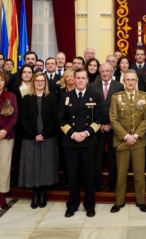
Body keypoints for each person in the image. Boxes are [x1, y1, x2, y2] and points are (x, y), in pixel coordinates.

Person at [58, 68, 103, 218]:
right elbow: (61, 119)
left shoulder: (95, 96)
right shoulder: (66, 96)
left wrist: (86, 133)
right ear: (73, 79)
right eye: (78, 78)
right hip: (71, 142)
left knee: (89, 175)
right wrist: (73, 134)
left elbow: (99, 119)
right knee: (72, 175)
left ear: (87, 80)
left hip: (88, 141)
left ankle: (90, 205)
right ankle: (72, 204)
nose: (80, 80)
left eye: (83, 78)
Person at [109, 69, 146, 213]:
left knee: (139, 174)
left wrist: (136, 136)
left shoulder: (144, 97)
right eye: (128, 79)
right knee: (121, 173)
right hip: (122, 140)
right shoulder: (116, 97)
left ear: (136, 81)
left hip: (138, 142)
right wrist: (127, 136)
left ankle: (141, 201)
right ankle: (119, 202)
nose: (130, 82)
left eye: (133, 80)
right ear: (123, 81)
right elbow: (113, 119)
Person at [18, 72, 59, 209]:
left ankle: (43, 192)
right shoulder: (27, 98)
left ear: (45, 83)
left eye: (42, 81)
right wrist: (33, 134)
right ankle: (35, 193)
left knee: (45, 165)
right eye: (37, 81)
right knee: (33, 164)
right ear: (33, 82)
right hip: (30, 137)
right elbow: (23, 119)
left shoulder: (52, 97)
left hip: (48, 137)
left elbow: (55, 118)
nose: (40, 83)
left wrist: (45, 134)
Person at [88, 63, 124, 192]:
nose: (105, 73)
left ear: (112, 72)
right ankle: (97, 181)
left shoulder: (119, 86)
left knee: (114, 157)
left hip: (113, 127)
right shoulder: (91, 86)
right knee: (97, 157)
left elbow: (121, 108)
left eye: (108, 71)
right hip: (97, 128)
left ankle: (113, 182)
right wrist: (99, 124)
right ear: (99, 72)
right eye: (102, 71)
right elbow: (90, 108)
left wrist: (111, 124)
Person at [0, 70, 18, 211]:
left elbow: (14, 116)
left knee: (4, 166)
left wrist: (5, 130)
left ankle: (2, 195)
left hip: (7, 135)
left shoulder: (11, 96)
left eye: (1, 80)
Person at [11, 65, 35, 168]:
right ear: (21, 74)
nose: (27, 74)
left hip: (34, 123)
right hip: (19, 124)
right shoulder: (14, 89)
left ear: (32, 74)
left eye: (29, 72)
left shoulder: (36, 87)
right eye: (24, 72)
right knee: (20, 148)